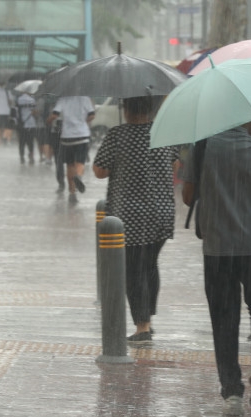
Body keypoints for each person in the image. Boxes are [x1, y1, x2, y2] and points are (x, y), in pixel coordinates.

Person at [181, 120, 251, 417]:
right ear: (249, 119)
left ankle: (232, 393)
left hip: (218, 249)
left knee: (224, 320)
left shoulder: (202, 148)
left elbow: (188, 197)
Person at [93, 96, 178, 343]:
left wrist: (124, 161)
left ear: (127, 109)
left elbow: (99, 171)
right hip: (161, 211)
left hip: (128, 215)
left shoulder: (117, 135)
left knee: (133, 269)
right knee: (149, 264)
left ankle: (142, 326)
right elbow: (175, 165)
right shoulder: (163, 133)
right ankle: (147, 317)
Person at [47, 96, 95, 204]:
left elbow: (55, 115)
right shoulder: (85, 99)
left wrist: (48, 121)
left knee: (70, 165)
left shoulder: (63, 99)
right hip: (82, 135)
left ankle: (72, 193)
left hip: (67, 137)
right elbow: (92, 115)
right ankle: (79, 176)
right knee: (80, 162)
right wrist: (83, 123)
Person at [16, 92, 37, 165]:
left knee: (21, 142)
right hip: (31, 124)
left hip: (21, 124)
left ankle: (22, 157)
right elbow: (35, 112)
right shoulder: (32, 100)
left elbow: (16, 112)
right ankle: (31, 157)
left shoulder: (18, 99)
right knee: (30, 142)